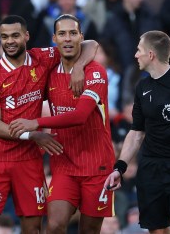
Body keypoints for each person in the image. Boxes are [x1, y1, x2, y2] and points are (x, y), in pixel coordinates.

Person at [0, 15, 98, 233]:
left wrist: (80, 66)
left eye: (15, 35)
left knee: (33, 227)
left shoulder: (42, 58)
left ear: (26, 36)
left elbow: (90, 44)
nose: (10, 41)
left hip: (29, 161)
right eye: (4, 37)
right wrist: (32, 135)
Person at [8, 14, 115, 233]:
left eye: (73, 33)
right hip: (64, 165)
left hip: (97, 167)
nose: (68, 38)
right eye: (62, 34)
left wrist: (35, 122)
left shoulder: (95, 72)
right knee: (55, 225)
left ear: (80, 37)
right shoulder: (48, 71)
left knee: (89, 230)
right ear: (54, 39)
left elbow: (79, 116)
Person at [104, 30, 170, 233]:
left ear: (151, 54)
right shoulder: (142, 87)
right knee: (159, 231)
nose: (136, 55)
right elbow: (136, 132)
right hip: (151, 170)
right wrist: (120, 167)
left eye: (139, 50)